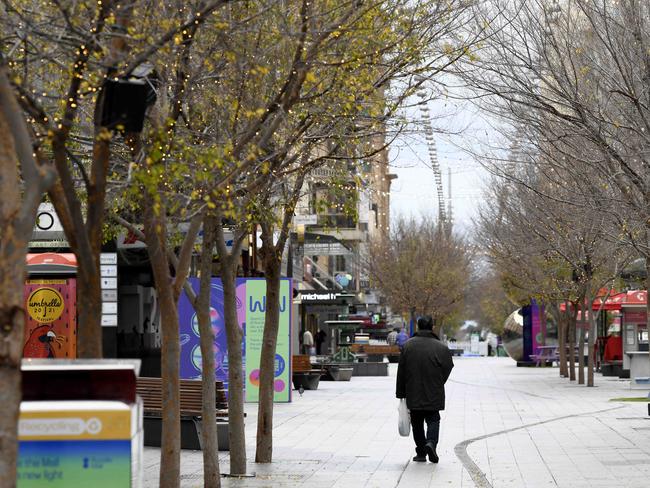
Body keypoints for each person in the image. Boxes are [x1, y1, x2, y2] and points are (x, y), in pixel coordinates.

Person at [396, 315, 454, 463]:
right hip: (433, 390)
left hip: (413, 391)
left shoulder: (408, 346)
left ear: (418, 327)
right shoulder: (441, 347)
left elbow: (401, 370)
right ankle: (431, 443)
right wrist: (439, 381)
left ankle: (421, 451)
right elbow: (448, 366)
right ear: (432, 327)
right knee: (433, 419)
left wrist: (401, 392)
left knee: (417, 422)